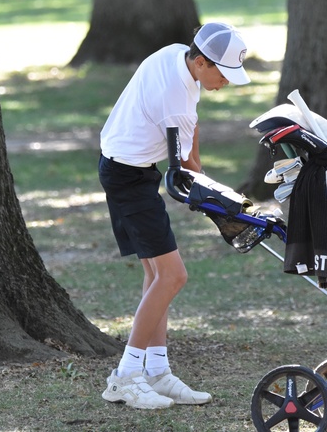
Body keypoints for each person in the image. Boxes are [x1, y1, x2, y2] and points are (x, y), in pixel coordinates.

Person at [98, 22, 251, 409]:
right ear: (201, 62)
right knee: (173, 275)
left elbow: (188, 129)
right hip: (129, 177)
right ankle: (124, 377)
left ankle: (157, 371)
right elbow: (189, 167)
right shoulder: (176, 98)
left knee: (156, 276)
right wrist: (226, 200)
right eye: (222, 74)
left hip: (128, 167)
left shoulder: (173, 54)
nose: (225, 83)